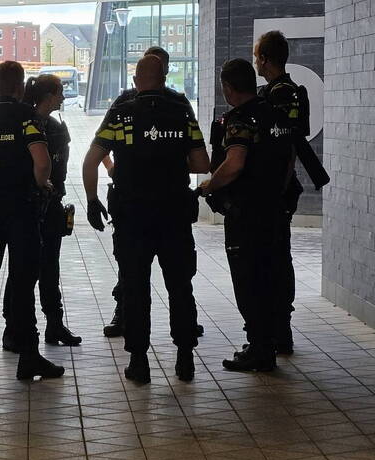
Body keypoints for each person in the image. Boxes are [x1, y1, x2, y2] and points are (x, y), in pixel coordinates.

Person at [83, 56, 209, 383]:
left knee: (135, 288)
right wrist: (170, 158)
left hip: (132, 216)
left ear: (137, 79)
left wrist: (93, 200)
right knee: (180, 286)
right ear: (164, 78)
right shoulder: (181, 110)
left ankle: (139, 362)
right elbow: (200, 163)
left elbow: (92, 160)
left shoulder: (122, 112)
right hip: (173, 214)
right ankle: (184, 358)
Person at [0, 61, 65, 381]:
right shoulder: (27, 118)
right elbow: (42, 162)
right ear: (19, 88)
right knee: (22, 283)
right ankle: (28, 356)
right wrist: (40, 185)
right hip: (21, 211)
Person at [199, 58, 294, 372]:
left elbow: (235, 163)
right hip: (276, 211)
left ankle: (259, 348)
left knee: (249, 280)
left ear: (228, 88)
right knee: (272, 275)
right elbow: (289, 160)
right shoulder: (275, 115)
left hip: (248, 215)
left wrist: (210, 185)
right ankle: (273, 338)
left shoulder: (241, 120)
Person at [254, 31, 325, 355]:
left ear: (265, 58)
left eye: (258, 56)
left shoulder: (280, 94)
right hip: (280, 188)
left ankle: (278, 330)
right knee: (277, 257)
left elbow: (285, 147)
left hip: (276, 190)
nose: (256, 61)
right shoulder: (287, 91)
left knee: (274, 259)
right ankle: (278, 329)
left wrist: (278, 190)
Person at [2, 75, 81, 350]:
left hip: (51, 205)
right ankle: (13, 328)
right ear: (50, 95)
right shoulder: (24, 123)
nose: (63, 98)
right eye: (60, 92)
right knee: (22, 270)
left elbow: (61, 168)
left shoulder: (57, 127)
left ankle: (54, 324)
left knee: (50, 267)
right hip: (27, 206)